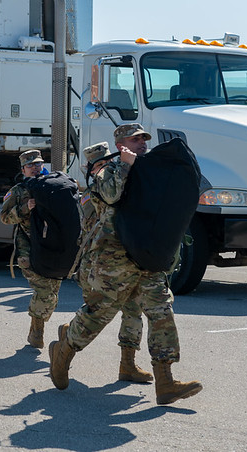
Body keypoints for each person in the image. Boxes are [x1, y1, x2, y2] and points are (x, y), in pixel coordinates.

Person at [49, 123, 202, 405]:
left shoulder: (149, 170)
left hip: (146, 258)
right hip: (114, 260)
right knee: (98, 315)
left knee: (161, 311)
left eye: (144, 139)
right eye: (136, 139)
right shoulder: (109, 170)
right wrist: (126, 165)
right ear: (122, 145)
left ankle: (165, 382)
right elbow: (110, 195)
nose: (143, 143)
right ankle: (64, 350)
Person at [73, 141, 154, 383]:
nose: (105, 167)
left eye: (108, 162)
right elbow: (109, 200)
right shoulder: (94, 191)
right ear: (90, 168)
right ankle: (68, 343)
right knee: (98, 312)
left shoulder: (120, 176)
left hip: (126, 258)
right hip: (100, 262)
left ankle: (127, 364)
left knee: (133, 311)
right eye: (99, 164)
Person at [0, 149, 61, 349]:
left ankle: (37, 324)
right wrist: (26, 208)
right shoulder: (17, 191)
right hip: (27, 249)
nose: (35, 168)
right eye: (30, 165)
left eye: (38, 164)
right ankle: (37, 333)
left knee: (52, 291)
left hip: (50, 247)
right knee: (43, 290)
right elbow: (5, 217)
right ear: (23, 169)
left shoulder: (52, 185)